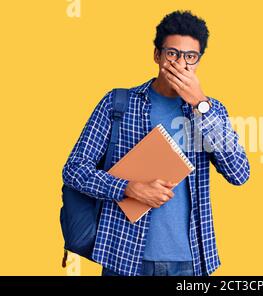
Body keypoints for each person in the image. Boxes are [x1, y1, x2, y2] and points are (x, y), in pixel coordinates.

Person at [62, 10, 250, 276]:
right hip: (124, 258)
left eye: (190, 57)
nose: (180, 64)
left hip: (191, 261)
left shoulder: (211, 110)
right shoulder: (118, 104)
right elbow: (74, 170)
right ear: (157, 55)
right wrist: (128, 188)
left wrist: (201, 105)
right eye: (172, 53)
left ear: (198, 61)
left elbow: (239, 174)